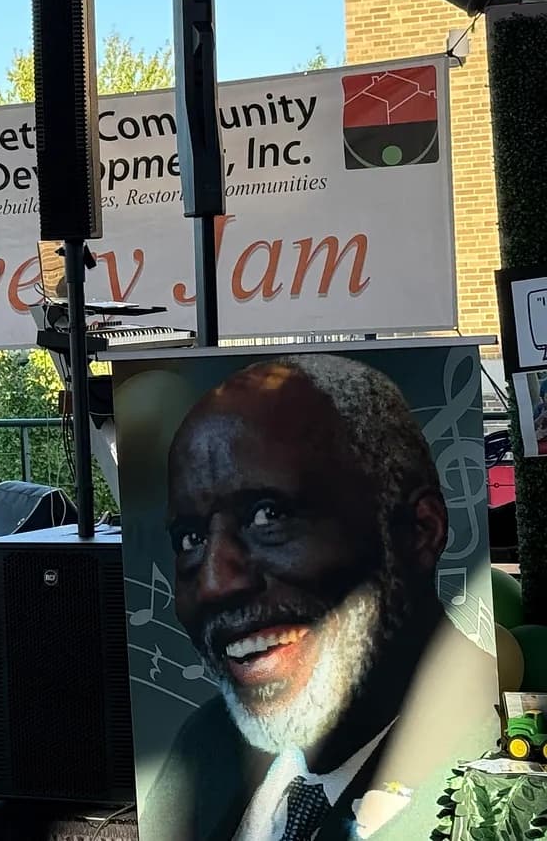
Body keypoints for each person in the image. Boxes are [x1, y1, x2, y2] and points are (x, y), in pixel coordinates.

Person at [145, 354, 497, 841]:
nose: (214, 584)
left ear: (420, 531)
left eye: (268, 515)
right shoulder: (204, 747)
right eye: (190, 539)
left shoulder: (492, 764)